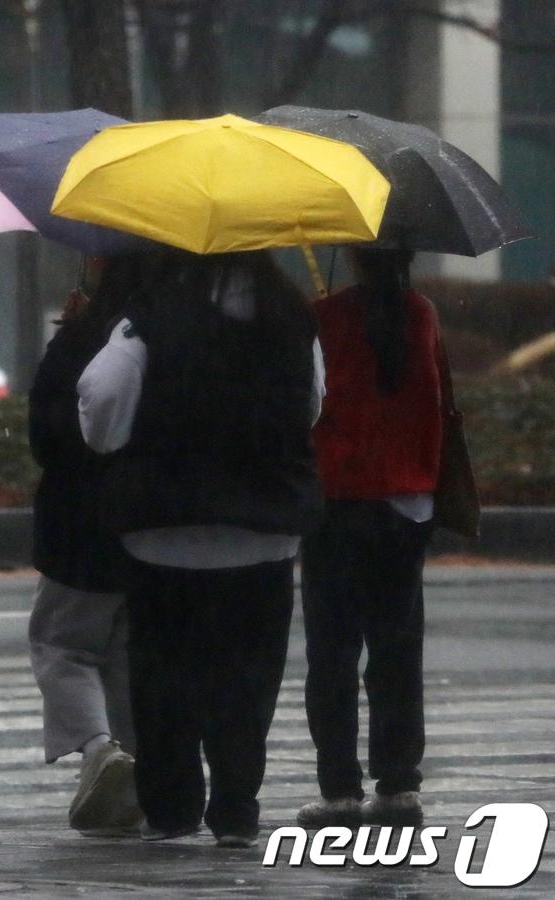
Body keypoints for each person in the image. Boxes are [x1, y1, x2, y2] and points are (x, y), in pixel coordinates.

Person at [77, 248, 325, 849]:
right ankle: (236, 807)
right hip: (262, 535)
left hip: (164, 532)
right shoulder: (293, 318)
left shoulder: (148, 318)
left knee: (164, 679)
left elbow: (101, 408)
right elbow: (312, 406)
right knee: (248, 680)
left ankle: (171, 805)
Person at [297, 248, 441, 829]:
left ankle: (339, 791)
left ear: (352, 254)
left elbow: (310, 403)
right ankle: (399, 783)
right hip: (407, 502)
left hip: (338, 499)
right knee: (397, 649)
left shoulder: (324, 317)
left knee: (332, 651)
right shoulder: (422, 313)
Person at [26, 257, 139, 833]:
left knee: (61, 645)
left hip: (77, 523)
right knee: (121, 650)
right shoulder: (160, 331)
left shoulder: (82, 341)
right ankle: (133, 769)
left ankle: (100, 751)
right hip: (140, 522)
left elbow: (45, 435)